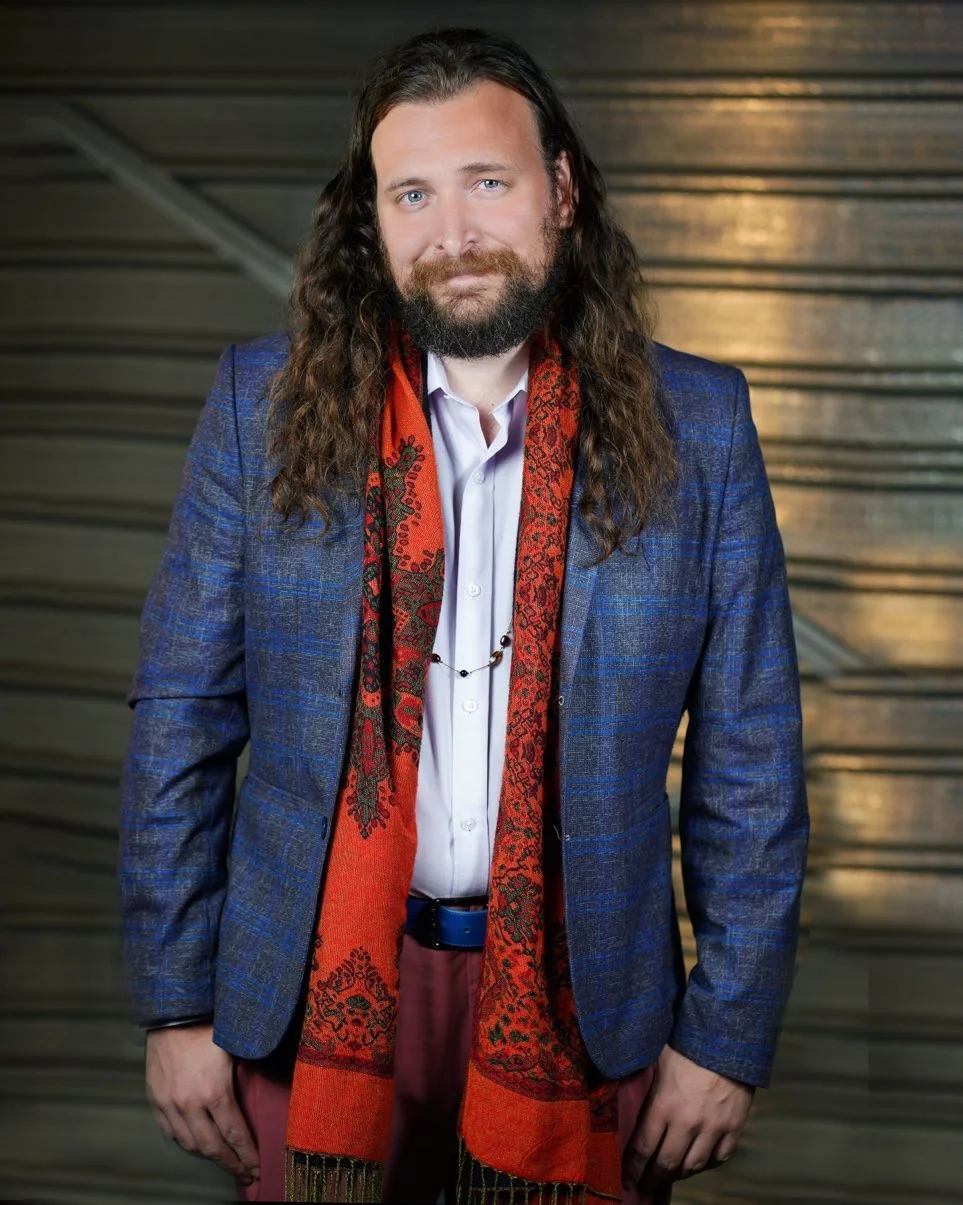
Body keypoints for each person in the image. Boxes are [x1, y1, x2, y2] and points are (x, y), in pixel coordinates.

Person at [119, 26, 809, 1205]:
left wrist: (727, 1036)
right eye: (413, 195)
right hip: (309, 993)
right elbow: (180, 717)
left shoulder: (699, 424)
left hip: (590, 1006)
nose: (454, 236)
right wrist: (176, 1000)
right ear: (371, 220)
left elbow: (749, 757)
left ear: (562, 190)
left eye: (488, 182)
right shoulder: (260, 406)